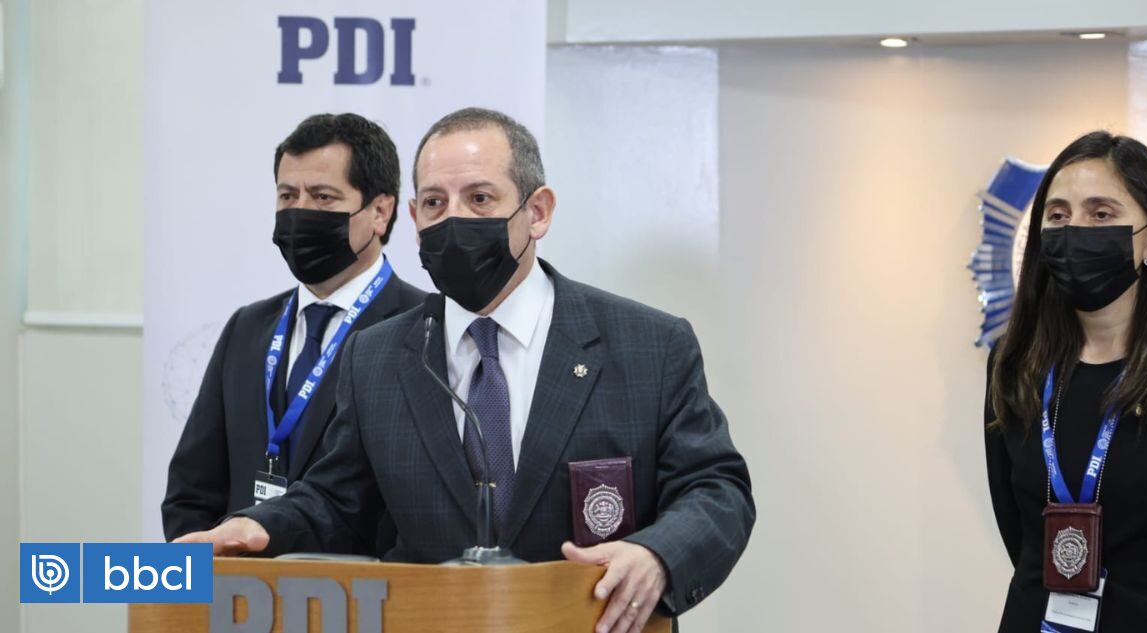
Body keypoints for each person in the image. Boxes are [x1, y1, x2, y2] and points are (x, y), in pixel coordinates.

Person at [178, 107, 755, 633]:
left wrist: (657, 555)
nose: (453, 220)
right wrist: (261, 526)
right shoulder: (378, 356)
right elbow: (337, 499)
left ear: (537, 212)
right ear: (411, 217)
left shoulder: (648, 344)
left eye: (479, 198)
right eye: (434, 203)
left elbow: (717, 490)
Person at [161, 113, 425, 553]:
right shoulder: (248, 328)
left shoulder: (423, 328)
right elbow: (191, 490)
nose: (300, 212)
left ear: (380, 211)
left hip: (364, 588)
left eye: (323, 197)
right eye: (288, 195)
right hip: (241, 589)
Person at [985, 131, 1147, 631]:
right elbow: (1018, 530)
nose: (1075, 229)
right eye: (1059, 216)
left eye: (1101, 214)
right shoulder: (1014, 362)